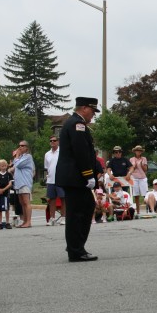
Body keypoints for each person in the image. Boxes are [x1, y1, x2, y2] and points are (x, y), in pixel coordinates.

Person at [55, 97, 100, 262]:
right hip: (75, 177)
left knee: (85, 208)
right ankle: (76, 250)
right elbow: (80, 151)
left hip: (74, 177)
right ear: (85, 108)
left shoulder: (75, 123)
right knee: (78, 213)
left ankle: (75, 245)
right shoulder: (77, 124)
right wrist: (88, 174)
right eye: (93, 111)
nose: (93, 115)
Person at [9, 140, 35, 228]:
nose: (20, 147)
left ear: (27, 148)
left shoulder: (28, 157)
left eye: (23, 146)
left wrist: (16, 157)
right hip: (18, 183)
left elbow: (18, 165)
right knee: (21, 202)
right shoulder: (20, 157)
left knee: (26, 202)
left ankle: (29, 222)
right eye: (19, 145)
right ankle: (24, 221)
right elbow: (13, 167)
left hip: (25, 182)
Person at [44, 135, 66, 226]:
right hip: (50, 180)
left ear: (58, 142)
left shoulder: (62, 152)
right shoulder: (47, 154)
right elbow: (46, 167)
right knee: (51, 199)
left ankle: (63, 217)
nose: (52, 142)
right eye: (51, 141)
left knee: (63, 198)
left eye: (54, 140)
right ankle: (52, 218)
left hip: (61, 179)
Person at [0, 159, 13, 229]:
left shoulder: (8, 174)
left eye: (5, 166)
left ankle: (7, 222)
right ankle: (0, 223)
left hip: (6, 194)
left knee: (6, 208)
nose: (3, 167)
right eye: (2, 166)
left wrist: (4, 189)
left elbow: (10, 184)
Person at [129, 145, 148, 216]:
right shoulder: (131, 159)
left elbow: (145, 169)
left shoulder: (144, 159)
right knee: (136, 195)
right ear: (135, 151)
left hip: (142, 177)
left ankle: (148, 209)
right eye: (137, 150)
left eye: (140, 151)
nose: (138, 152)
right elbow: (130, 169)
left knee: (145, 194)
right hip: (134, 177)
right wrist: (135, 166)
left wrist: (141, 165)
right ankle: (138, 211)